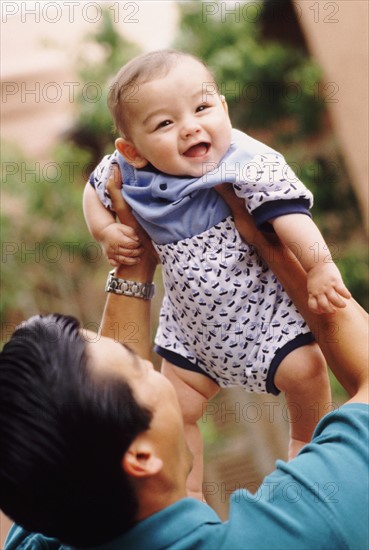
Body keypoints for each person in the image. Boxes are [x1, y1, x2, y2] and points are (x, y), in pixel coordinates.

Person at [1, 188, 368, 549]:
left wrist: (135, 259)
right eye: (140, 368)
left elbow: (96, 417)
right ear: (142, 459)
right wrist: (268, 240)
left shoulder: (43, 519)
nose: (150, 366)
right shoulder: (300, 529)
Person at [83, 49, 351, 494]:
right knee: (173, 408)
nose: (189, 126)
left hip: (263, 317)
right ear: (133, 149)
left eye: (202, 108)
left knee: (307, 372)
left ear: (224, 109)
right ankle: (189, 496)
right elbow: (93, 193)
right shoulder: (127, 172)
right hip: (192, 333)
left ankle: (305, 452)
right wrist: (105, 232)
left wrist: (320, 267)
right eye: (164, 124)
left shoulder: (245, 160)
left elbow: (290, 218)